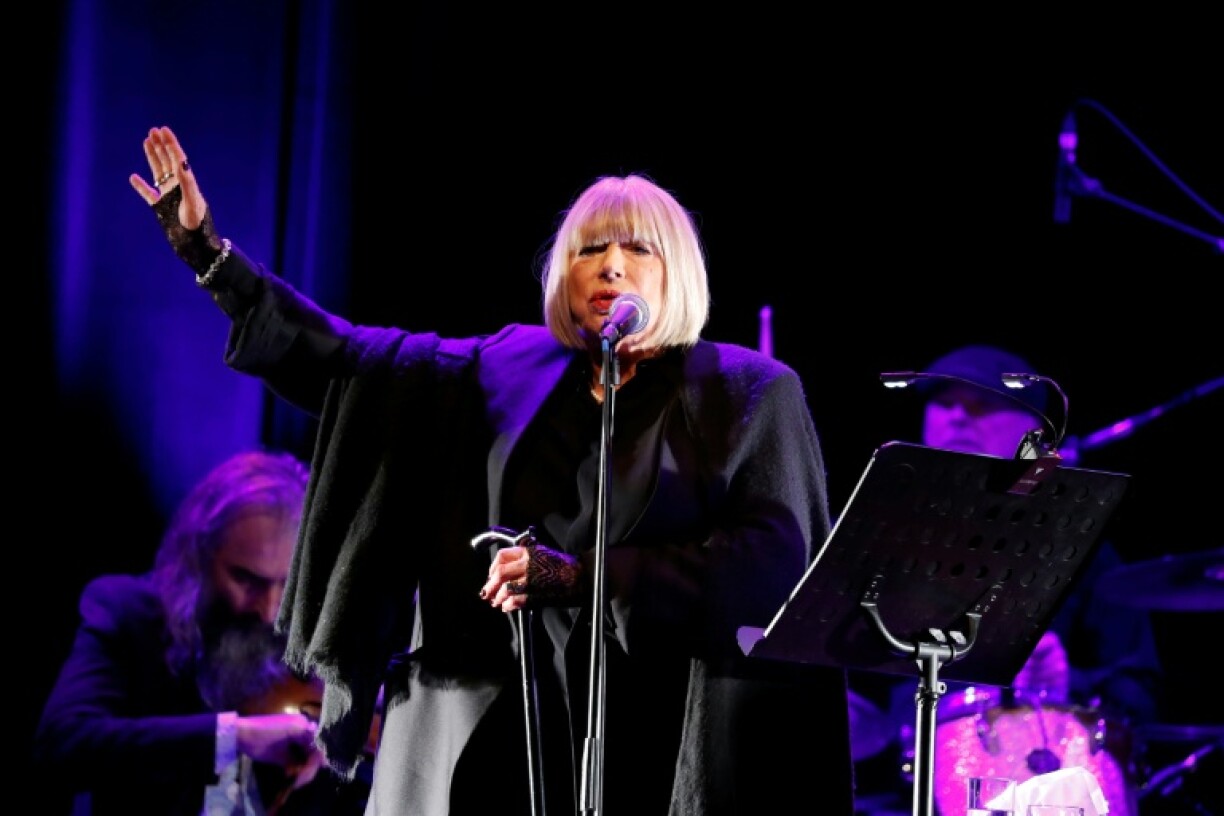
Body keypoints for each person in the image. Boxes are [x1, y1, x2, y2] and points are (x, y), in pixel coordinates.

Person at [122, 125, 855, 815]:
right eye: (588, 249)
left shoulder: (749, 391)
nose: (609, 265)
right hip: (492, 729)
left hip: (661, 736)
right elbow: (348, 363)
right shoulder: (503, 368)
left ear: (681, 274)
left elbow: (772, 567)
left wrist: (581, 577)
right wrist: (209, 256)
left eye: (637, 248)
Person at [849, 344, 1163, 816]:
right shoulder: (874, 546)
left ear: (1034, 431)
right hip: (899, 790)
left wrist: (1068, 681)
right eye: (943, 402)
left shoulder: (1085, 550)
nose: (956, 417)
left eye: (980, 403)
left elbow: (1141, 689)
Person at [32, 449, 374, 816]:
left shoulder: (315, 643)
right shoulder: (128, 615)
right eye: (246, 579)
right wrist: (233, 737)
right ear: (197, 555)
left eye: (287, 586)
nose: (269, 611)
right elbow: (62, 745)